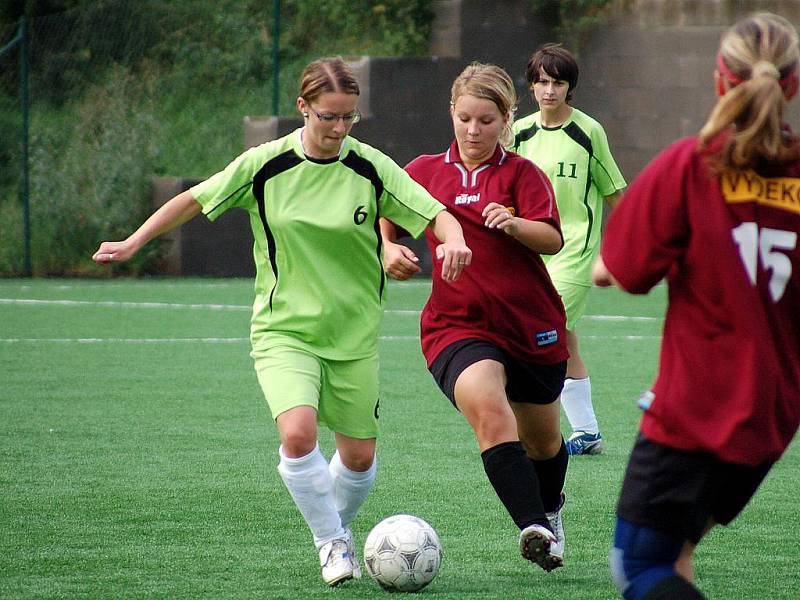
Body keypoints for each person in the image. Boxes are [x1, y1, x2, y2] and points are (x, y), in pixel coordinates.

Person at [91, 57, 471, 587]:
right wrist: (134, 241)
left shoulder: (369, 166)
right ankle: (331, 542)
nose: (339, 129)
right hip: (283, 329)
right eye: (328, 117)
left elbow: (434, 212)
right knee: (298, 434)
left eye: (349, 118)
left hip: (354, 334)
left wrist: (452, 238)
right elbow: (193, 200)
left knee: (359, 458)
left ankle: (334, 524)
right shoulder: (264, 164)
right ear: (303, 108)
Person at [592, 13, 800, 600]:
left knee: (637, 568)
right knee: (676, 554)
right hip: (770, 419)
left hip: (694, 415)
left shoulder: (693, 165)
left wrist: (601, 264)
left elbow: (624, 272)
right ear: (792, 86)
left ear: (718, 81)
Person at [382, 63, 570, 572]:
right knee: (490, 410)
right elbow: (388, 212)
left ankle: (550, 510)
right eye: (464, 118)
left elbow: (552, 239)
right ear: (451, 112)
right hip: (457, 325)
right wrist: (387, 248)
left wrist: (514, 224)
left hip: (531, 325)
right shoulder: (423, 171)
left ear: (507, 120)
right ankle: (532, 526)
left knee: (544, 443)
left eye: (486, 120)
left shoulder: (523, 175)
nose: (472, 130)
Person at [511, 44, 626, 455]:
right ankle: (588, 431)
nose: (549, 90)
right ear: (531, 86)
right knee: (566, 338)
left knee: (544, 329)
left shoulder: (588, 132)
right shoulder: (519, 133)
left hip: (575, 251)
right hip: (531, 250)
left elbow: (615, 191)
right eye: (541, 82)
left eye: (557, 82)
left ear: (569, 87)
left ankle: (535, 429)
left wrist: (627, 247)